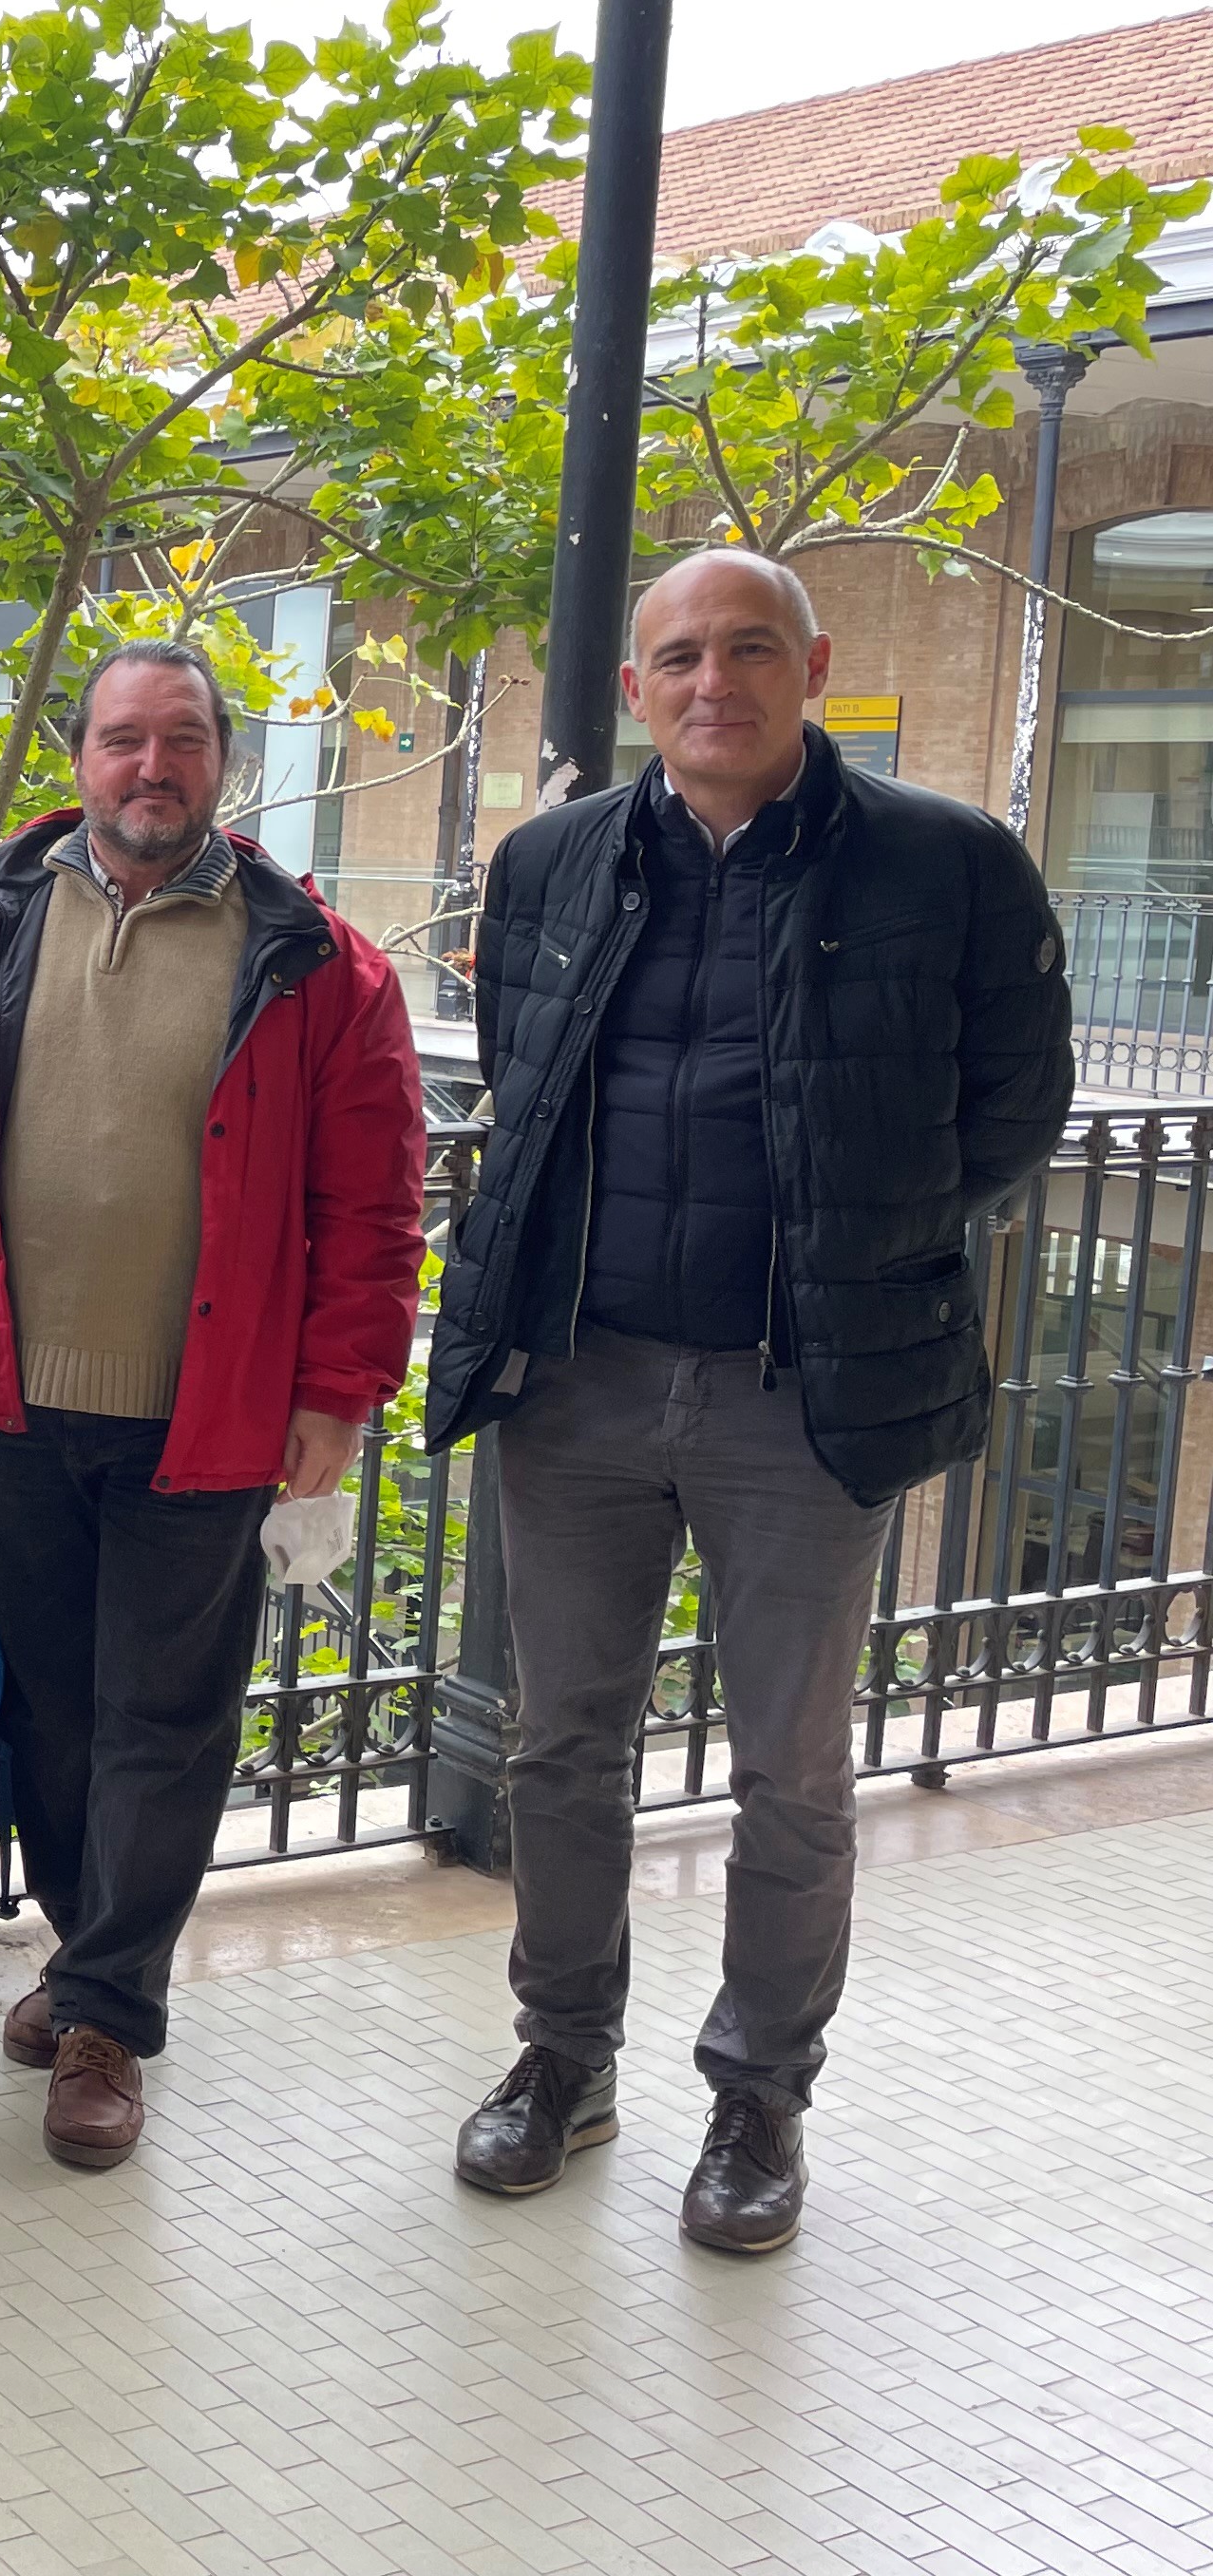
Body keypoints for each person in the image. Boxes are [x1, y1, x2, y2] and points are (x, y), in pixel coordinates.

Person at [426, 548, 1069, 2254]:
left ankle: (760, 2097)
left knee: (790, 1767)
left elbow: (1013, 1111)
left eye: (752, 649)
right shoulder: (553, 860)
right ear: (635, 687)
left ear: (814, 665)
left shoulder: (947, 863)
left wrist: (863, 1244)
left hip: (805, 1392)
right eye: (683, 656)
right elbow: (524, 1079)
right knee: (563, 1747)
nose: (716, 681)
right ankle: (564, 2058)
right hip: (579, 1380)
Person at [0, 638, 426, 2173]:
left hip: (212, 1408)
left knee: (165, 1721)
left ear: (222, 764)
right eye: (124, 738)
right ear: (80, 758)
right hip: (7, 1394)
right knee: (50, 1710)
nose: (151, 766)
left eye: (182, 739)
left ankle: (111, 2015)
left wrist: (339, 1396)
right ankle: (87, 1954)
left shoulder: (316, 961)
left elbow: (375, 1207)